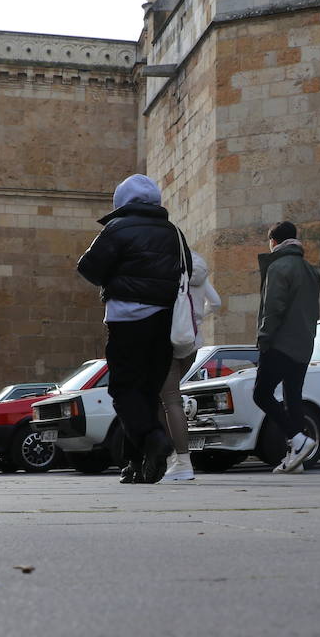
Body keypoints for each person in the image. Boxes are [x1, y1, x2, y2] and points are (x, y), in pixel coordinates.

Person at [78, 174, 189, 485]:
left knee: (124, 389)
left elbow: (88, 267)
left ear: (121, 202)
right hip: (165, 321)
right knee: (146, 392)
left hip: (127, 319)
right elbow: (187, 269)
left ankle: (155, 440)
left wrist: (115, 280)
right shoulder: (173, 232)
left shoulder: (118, 228)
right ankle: (136, 463)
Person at [254, 221, 320, 474]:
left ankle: (298, 438)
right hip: (304, 343)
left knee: (261, 394)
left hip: (280, 342)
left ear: (273, 241)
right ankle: (296, 459)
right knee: (293, 396)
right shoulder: (310, 269)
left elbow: (273, 309)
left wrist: (264, 337)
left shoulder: (278, 266)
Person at [159, 249, 222, 482]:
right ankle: (174, 460)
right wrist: (196, 319)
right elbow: (216, 302)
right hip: (192, 341)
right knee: (168, 399)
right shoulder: (199, 270)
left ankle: (181, 462)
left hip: (168, 341)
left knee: (169, 401)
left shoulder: (165, 265)